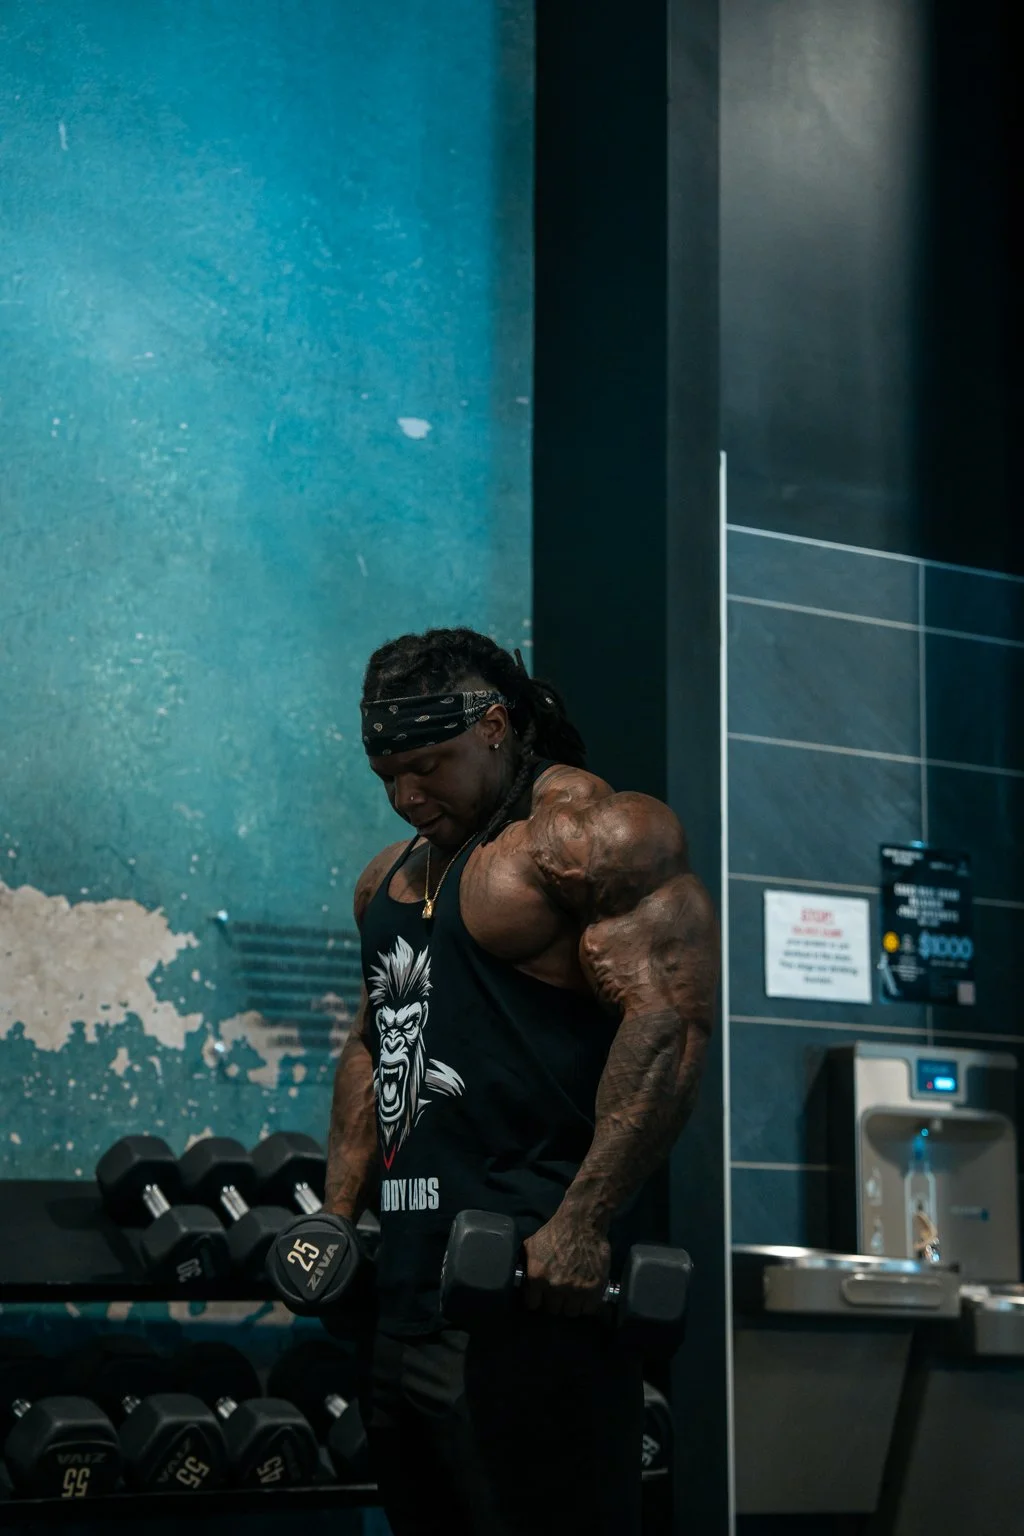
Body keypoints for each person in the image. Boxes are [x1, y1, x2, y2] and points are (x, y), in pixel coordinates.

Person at [324, 627, 718, 1536]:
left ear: (496, 726)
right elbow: (371, 1040)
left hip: (535, 1299)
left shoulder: (589, 840)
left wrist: (583, 1222)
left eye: (428, 765)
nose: (405, 796)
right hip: (409, 1297)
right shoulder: (387, 879)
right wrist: (336, 1216)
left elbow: (668, 1022)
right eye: (386, 773)